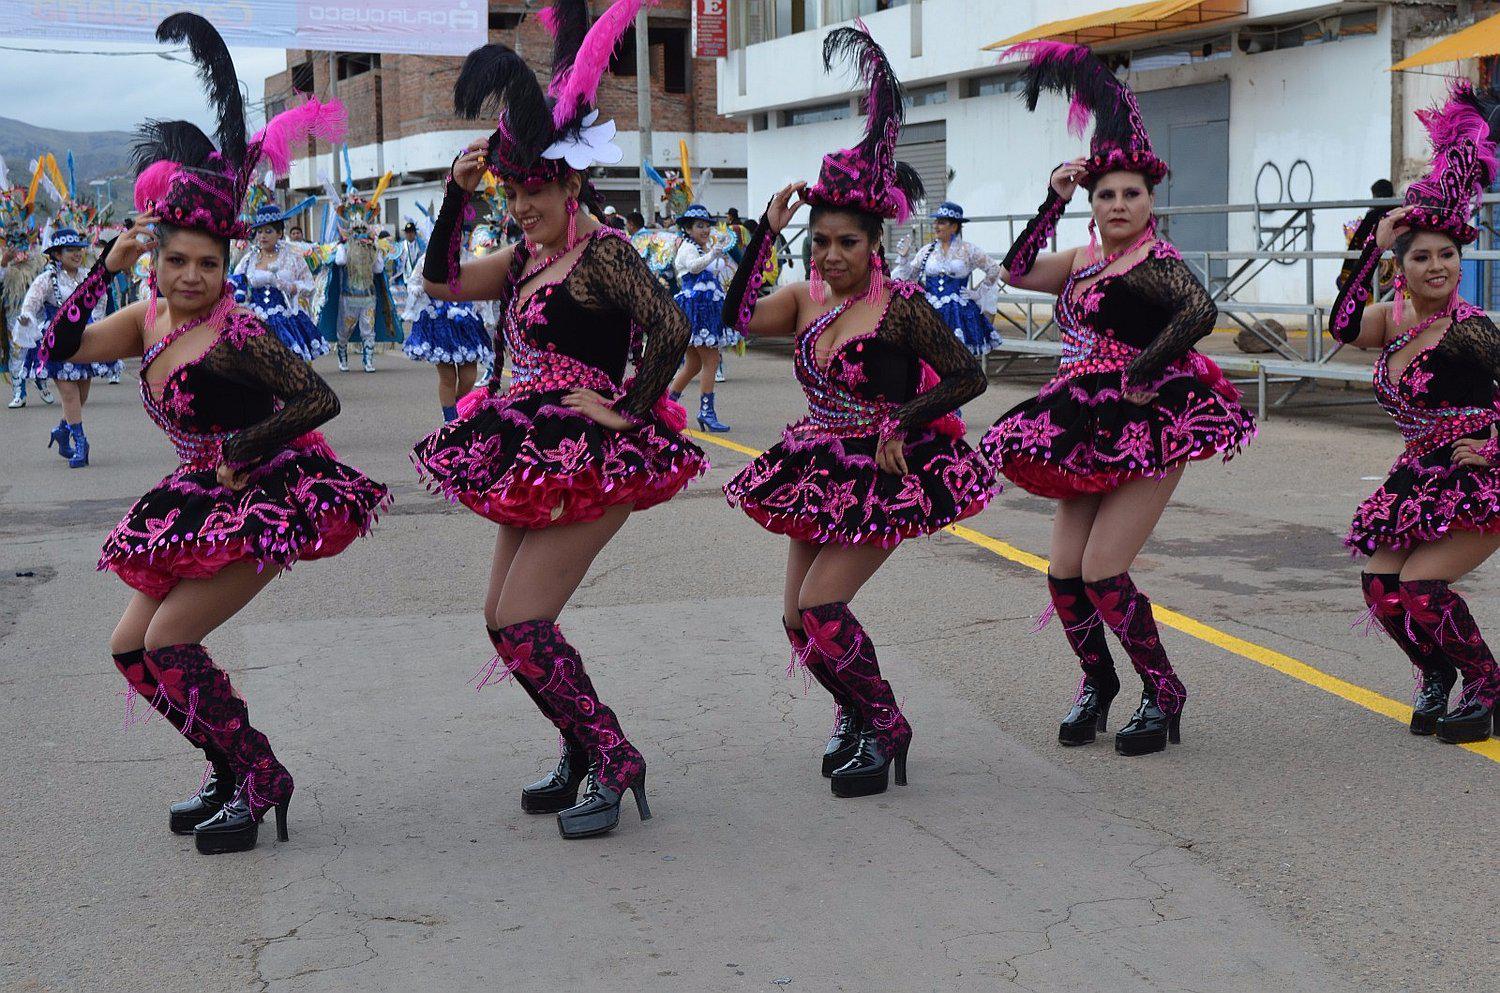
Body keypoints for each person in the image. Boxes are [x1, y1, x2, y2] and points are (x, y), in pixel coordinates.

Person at [35, 13, 388, 854]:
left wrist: (237, 451)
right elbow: (59, 350)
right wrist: (101, 272)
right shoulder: (147, 313)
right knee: (131, 651)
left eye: (208, 263)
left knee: (169, 641)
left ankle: (261, 774)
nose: (192, 276)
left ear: (225, 266)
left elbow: (318, 400)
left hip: (264, 494)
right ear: (156, 258)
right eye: (177, 260)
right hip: (203, 493)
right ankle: (228, 767)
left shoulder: (239, 332)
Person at [410, 2, 708, 839]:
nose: (521, 204)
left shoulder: (602, 251)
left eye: (534, 189)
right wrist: (454, 197)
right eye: (513, 190)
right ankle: (581, 747)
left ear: (572, 181)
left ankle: (613, 753)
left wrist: (625, 407)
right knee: (498, 618)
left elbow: (673, 327)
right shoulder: (523, 259)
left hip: (592, 458)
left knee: (521, 619)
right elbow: (439, 284)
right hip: (527, 449)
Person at [721, 25, 995, 798]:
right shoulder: (806, 294)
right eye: (820, 242)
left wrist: (903, 421)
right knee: (794, 619)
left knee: (822, 604)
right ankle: (852, 711)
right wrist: (765, 236)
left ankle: (886, 725)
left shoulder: (901, 306)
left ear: (876, 241)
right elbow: (739, 317)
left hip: (880, 472)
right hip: (815, 465)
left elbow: (968, 375)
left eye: (845, 242)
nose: (830, 255)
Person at [982, 43, 1255, 755]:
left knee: (1104, 569)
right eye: (1107, 194)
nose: (1118, 204)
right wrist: (1054, 197)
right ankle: (1096, 681)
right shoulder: (1080, 257)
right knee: (1063, 572)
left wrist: (1141, 371)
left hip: (1151, 424)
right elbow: (1015, 269)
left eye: (1131, 193)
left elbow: (1199, 314)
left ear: (1151, 199)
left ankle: (1163, 691)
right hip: (1078, 423)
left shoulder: (1157, 260)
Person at [1332, 80, 1500, 744]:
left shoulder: (1475, 329)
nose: (1437, 266)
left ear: (1462, 260)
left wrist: (1493, 446)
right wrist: (1368, 247)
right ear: (1403, 268)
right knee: (1382, 589)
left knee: (1423, 585)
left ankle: (1485, 682)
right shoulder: (1392, 320)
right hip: (1419, 475)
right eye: (1422, 256)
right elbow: (1343, 323)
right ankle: (1436, 673)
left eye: (1447, 256)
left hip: (1481, 480)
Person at [18, 228, 108, 465]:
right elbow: (31, 302)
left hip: (84, 338)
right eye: (71, 250)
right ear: (58, 255)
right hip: (56, 341)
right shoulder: (48, 279)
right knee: (69, 394)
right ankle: (81, 444)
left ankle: (61, 430)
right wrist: (26, 317)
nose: (77, 254)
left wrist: (98, 323)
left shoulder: (87, 276)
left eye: (79, 249)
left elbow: (101, 299)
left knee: (82, 395)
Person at [401, 223, 492, 422]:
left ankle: (458, 410)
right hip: (440, 322)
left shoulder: (470, 259)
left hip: (466, 324)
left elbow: (481, 286)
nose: (454, 241)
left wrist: (484, 311)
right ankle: (451, 421)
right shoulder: (428, 259)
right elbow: (414, 281)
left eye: (457, 237)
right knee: (448, 378)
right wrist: (416, 289)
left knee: (468, 378)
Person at [313, 172, 403, 372]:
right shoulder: (343, 249)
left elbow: (379, 269)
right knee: (343, 331)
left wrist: (376, 250)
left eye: (364, 231)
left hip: (368, 297)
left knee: (368, 330)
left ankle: (368, 361)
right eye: (357, 232)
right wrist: (344, 245)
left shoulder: (372, 249)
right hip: (348, 297)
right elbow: (340, 261)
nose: (361, 235)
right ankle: (343, 358)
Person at [893, 201, 1004, 359]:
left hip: (958, 312)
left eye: (942, 222)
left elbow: (993, 268)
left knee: (955, 359)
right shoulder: (927, 251)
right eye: (936, 222)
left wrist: (978, 294)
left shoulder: (968, 250)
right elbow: (910, 277)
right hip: (929, 311)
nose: (936, 226)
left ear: (954, 226)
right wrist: (904, 258)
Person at [667, 203, 735, 431]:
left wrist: (718, 255)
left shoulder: (699, 247)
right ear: (687, 229)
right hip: (698, 309)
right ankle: (706, 412)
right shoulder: (688, 248)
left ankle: (666, 406)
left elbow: (711, 269)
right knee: (710, 360)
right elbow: (694, 268)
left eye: (707, 226)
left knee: (694, 363)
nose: (705, 230)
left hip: (703, 308)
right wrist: (714, 254)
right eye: (699, 226)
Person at [232, 201, 327, 361]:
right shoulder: (249, 259)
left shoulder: (293, 257)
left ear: (280, 233)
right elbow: (235, 282)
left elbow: (310, 286)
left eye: (268, 231)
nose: (262, 236)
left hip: (285, 318)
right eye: (259, 231)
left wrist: (291, 287)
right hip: (255, 319)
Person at [2, 161, 56, 409]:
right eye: (12, 238)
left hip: (37, 311)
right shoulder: (5, 264)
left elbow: (49, 284)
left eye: (21, 237)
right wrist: (5, 262)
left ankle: (41, 384)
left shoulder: (39, 261)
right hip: (15, 311)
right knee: (17, 349)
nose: (17, 243)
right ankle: (18, 392)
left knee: (39, 347)